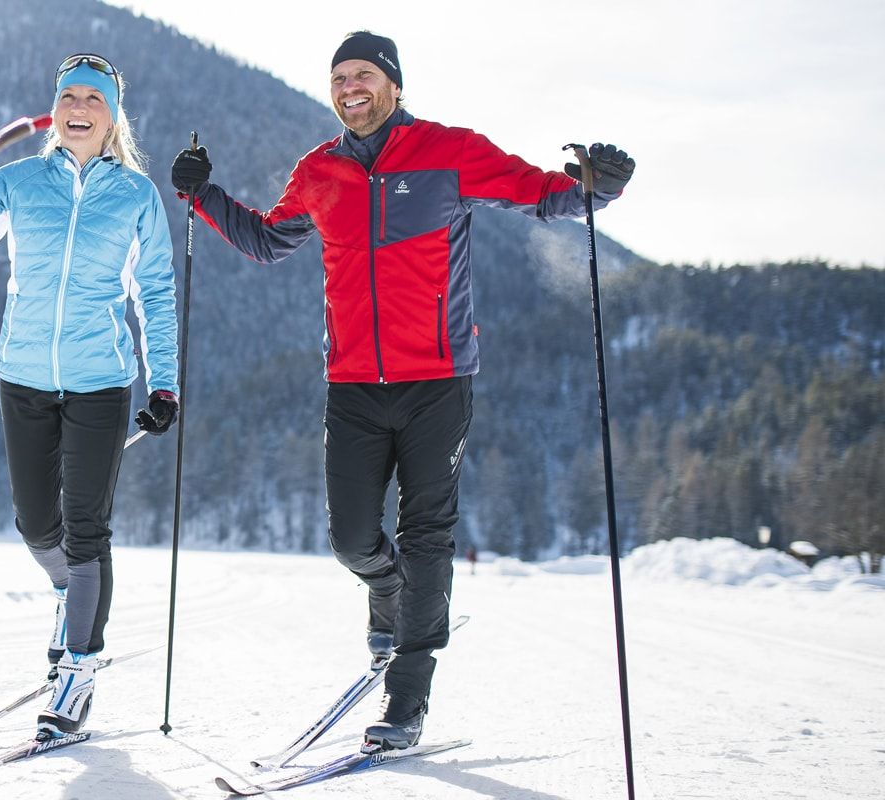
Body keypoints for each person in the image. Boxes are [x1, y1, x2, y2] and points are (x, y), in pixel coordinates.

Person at [169, 31, 633, 750]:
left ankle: (406, 699)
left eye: (363, 75)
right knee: (351, 538)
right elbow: (267, 240)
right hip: (352, 383)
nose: (349, 87)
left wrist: (593, 188)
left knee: (428, 537)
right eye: (338, 78)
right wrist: (203, 196)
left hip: (438, 383)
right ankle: (383, 591)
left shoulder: (450, 151)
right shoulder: (319, 171)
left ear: (393, 84)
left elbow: (541, 195)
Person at [0, 52, 180, 740]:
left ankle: (79, 671)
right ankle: (67, 594)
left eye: (93, 97)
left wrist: (165, 380)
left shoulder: (137, 196)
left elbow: (155, 292)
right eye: (69, 97)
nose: (79, 107)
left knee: (87, 528)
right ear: (55, 110)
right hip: (22, 373)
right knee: (35, 525)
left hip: (99, 381)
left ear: (111, 116)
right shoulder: (21, 181)